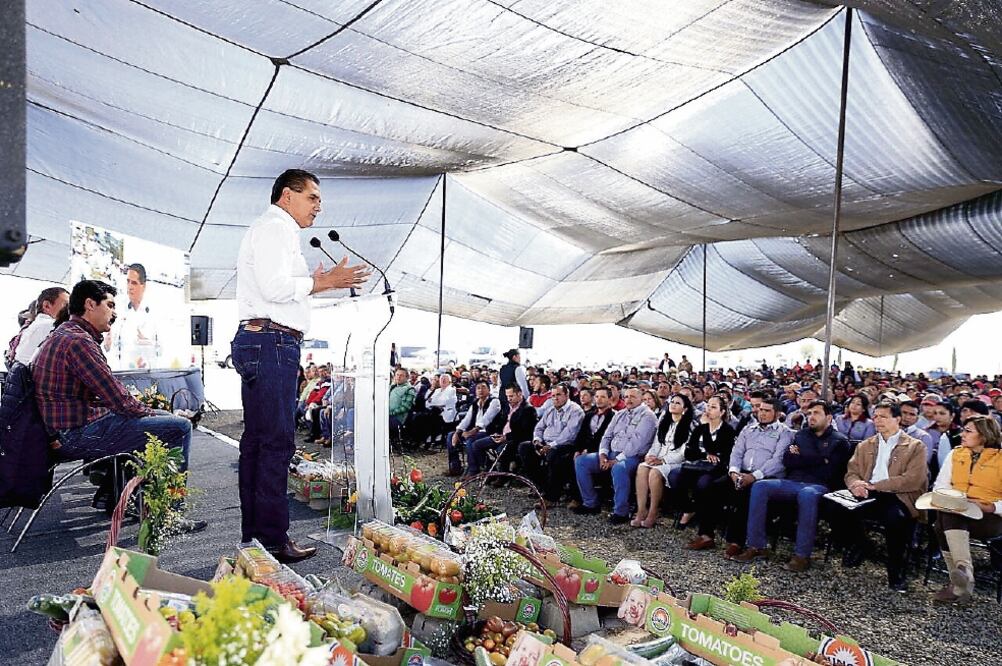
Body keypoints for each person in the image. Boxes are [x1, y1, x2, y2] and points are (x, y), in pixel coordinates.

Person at [231, 168, 370, 563]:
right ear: (286, 196)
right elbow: (276, 288)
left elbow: (276, 288)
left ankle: (257, 538)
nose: (318, 208)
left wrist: (312, 280)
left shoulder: (270, 230)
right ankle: (273, 540)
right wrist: (321, 283)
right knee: (275, 444)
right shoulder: (276, 228)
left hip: (262, 339)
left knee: (259, 445)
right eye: (312, 198)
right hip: (272, 342)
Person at [31, 280, 202, 528]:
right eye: (110, 305)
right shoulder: (79, 342)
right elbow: (120, 400)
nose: (115, 313)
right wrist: (154, 412)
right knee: (178, 428)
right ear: (90, 304)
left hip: (61, 432)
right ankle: (168, 515)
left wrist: (147, 412)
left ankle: (133, 499)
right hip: (74, 436)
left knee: (151, 421)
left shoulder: (64, 334)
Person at [731, 400, 850, 571]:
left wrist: (802, 458)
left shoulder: (839, 441)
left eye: (816, 413)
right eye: (809, 414)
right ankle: (757, 546)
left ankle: (802, 556)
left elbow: (831, 470)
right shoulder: (801, 435)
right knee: (761, 486)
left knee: (807, 495)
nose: (811, 417)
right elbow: (788, 460)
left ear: (829, 418)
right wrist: (819, 458)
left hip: (819, 485)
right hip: (792, 481)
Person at [839, 401, 928, 592]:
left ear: (897, 419)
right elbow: (851, 472)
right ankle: (862, 543)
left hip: (898, 495)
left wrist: (877, 485)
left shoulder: (915, 446)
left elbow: (914, 479)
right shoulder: (865, 445)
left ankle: (896, 570)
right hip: (867, 492)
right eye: (876, 416)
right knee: (835, 507)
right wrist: (855, 484)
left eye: (883, 416)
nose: (878, 420)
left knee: (895, 518)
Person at [926, 414, 1002, 604]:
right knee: (947, 515)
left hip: (990, 516)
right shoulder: (956, 453)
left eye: (968, 431)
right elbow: (940, 486)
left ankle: (959, 584)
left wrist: (992, 506)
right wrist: (954, 499)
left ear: (983, 436)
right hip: (958, 510)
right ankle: (963, 573)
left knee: (942, 523)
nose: (962, 434)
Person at [686, 395, 764, 553]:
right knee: (712, 487)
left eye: (761, 408)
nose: (757, 411)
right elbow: (736, 453)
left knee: (739, 491)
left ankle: (735, 541)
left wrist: (754, 475)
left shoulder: (783, 432)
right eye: (755, 407)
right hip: (736, 470)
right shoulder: (747, 429)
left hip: (761, 475)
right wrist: (734, 471)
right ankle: (706, 535)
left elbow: (775, 461)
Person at [573, 387, 657, 524]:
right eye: (627, 397)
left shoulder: (647, 416)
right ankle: (590, 503)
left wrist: (615, 460)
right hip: (611, 453)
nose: (628, 399)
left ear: (641, 399)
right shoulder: (620, 414)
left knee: (619, 468)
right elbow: (607, 436)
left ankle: (621, 512)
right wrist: (602, 454)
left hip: (632, 457)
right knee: (581, 461)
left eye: (633, 397)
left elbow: (637, 444)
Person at [633, 394, 694, 528]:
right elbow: (656, 444)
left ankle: (653, 511)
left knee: (655, 472)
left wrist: (663, 460)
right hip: (658, 458)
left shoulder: (689, 426)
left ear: (685, 409)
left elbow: (683, 452)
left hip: (675, 462)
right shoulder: (665, 423)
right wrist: (650, 456)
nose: (673, 404)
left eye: (677, 403)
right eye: (672, 402)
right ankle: (641, 509)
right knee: (642, 468)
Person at [518, 384, 585, 502]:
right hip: (545, 443)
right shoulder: (550, 410)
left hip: (564, 445)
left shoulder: (575, 410)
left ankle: (552, 497)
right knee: (524, 447)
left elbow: (569, 434)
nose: (555, 398)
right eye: (553, 395)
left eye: (558, 395)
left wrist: (550, 446)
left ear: (566, 395)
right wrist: (537, 441)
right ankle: (542, 486)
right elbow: (539, 428)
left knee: (553, 453)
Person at [483, 385, 539, 484]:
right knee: (478, 445)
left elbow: (524, 432)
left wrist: (506, 437)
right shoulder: (506, 407)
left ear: (520, 394)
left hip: (516, 439)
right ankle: (491, 472)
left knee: (502, 449)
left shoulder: (528, 409)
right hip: (502, 436)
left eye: (511, 396)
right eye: (507, 396)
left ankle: (503, 476)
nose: (509, 399)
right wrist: (494, 432)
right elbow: (498, 422)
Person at [448, 380, 502, 476]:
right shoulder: (475, 403)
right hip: (475, 431)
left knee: (470, 439)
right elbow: (467, 419)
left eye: (483, 387)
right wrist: (458, 431)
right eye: (478, 388)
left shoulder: (494, 401)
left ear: (489, 390)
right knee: (450, 435)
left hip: (488, 431)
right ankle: (455, 466)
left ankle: (473, 468)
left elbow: (487, 419)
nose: (480, 390)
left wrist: (473, 431)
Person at [13, 287, 69, 365]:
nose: (70, 310)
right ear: (47, 306)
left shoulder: (38, 324)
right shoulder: (50, 326)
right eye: (66, 305)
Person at [388, 367, 416, 434]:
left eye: (401, 375)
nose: (398, 377)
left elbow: (405, 407)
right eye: (397, 375)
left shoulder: (409, 389)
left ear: (407, 378)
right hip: (387, 416)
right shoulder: (393, 386)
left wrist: (390, 413)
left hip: (397, 419)